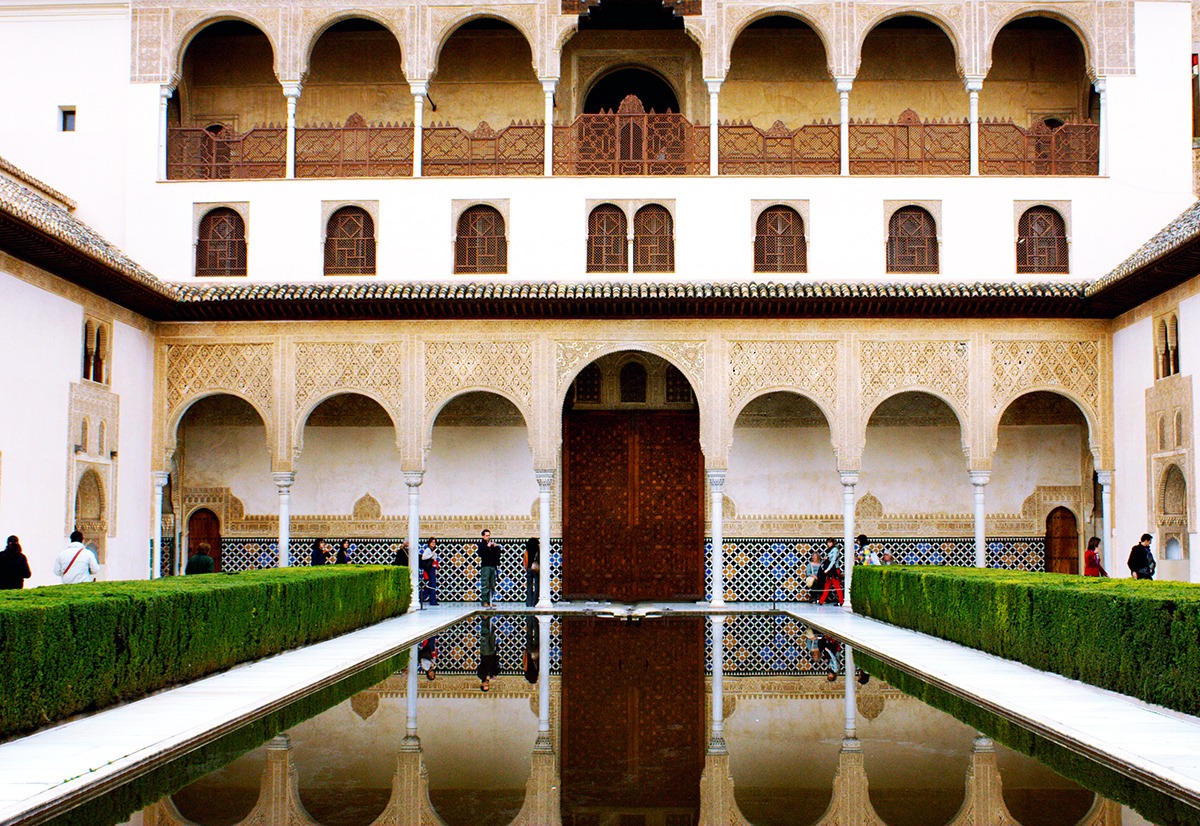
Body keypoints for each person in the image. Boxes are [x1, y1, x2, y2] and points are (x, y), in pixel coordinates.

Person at [478, 528, 501, 608]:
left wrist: (496, 547)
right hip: (486, 567)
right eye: (486, 535)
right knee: (485, 584)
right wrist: (487, 547)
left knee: (492, 584)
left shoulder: (491, 544)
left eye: (489, 535)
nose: (488, 537)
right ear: (483, 536)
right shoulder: (482, 545)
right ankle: (484, 601)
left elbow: (497, 555)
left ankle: (489, 601)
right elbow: (481, 554)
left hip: (492, 566)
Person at [817, 539, 844, 605]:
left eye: (830, 542)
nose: (828, 544)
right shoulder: (830, 550)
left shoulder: (835, 550)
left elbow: (833, 561)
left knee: (836, 585)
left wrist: (827, 569)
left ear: (833, 543)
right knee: (827, 585)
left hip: (834, 570)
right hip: (831, 570)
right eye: (828, 542)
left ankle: (841, 601)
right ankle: (821, 600)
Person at [477, 615, 500, 692]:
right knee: (492, 635)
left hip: (485, 653)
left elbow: (482, 667)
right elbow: (497, 667)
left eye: (485, 685)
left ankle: (484, 619)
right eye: (487, 685)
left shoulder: (480, 675)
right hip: (492, 653)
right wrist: (493, 674)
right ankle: (489, 619)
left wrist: (488, 674)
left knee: (485, 636)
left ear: (481, 684)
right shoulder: (492, 675)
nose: (486, 684)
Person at [419, 537, 439, 607]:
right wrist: (432, 554)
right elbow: (423, 557)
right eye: (432, 542)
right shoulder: (428, 550)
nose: (433, 544)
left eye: (434, 542)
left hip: (432, 568)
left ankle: (423, 597)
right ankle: (432, 600)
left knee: (432, 584)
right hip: (430, 569)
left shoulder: (432, 550)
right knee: (432, 584)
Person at [523, 537, 539, 607]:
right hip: (536, 569)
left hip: (529, 568)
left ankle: (529, 602)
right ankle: (535, 602)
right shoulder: (538, 549)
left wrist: (526, 567)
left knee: (529, 586)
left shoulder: (527, 549)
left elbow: (525, 559)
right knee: (536, 585)